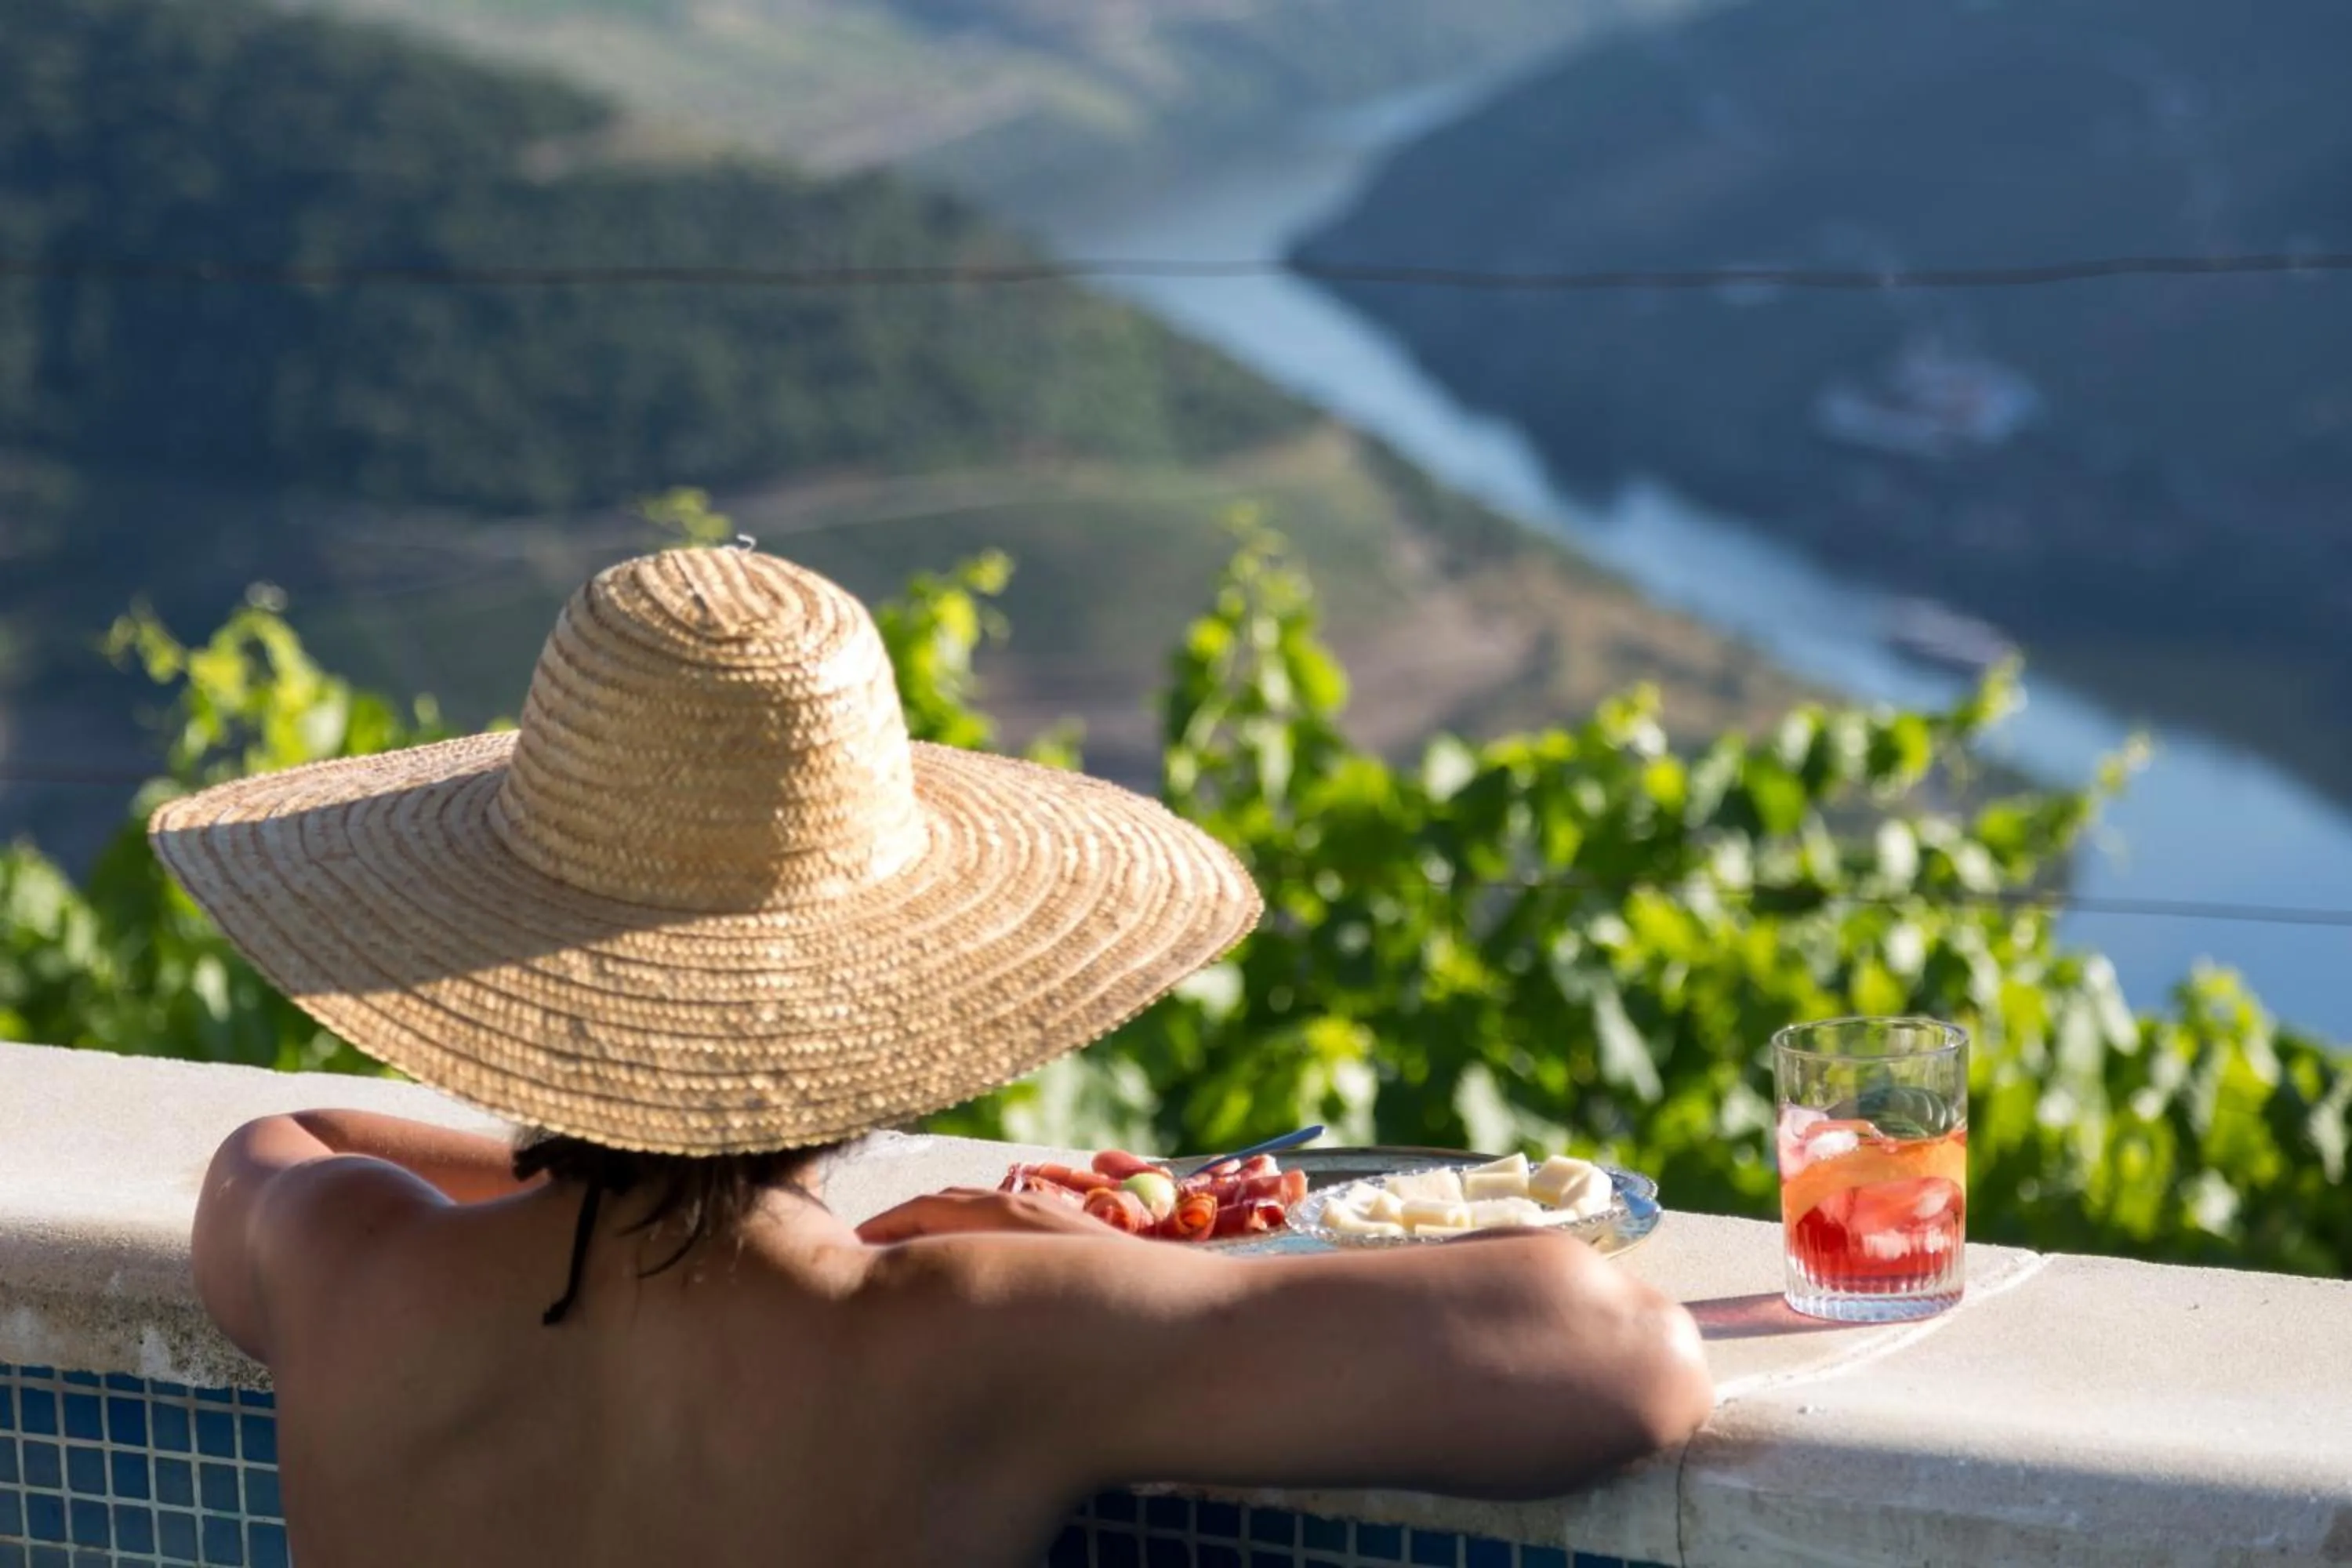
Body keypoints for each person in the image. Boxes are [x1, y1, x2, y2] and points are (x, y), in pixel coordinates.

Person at [162, 546, 1714, 1568]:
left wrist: (628, 1197)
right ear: (880, 1004)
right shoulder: (958, 1334)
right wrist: (1089, 1259)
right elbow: (1624, 1356)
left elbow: (288, 1144)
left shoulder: (346, 1266)